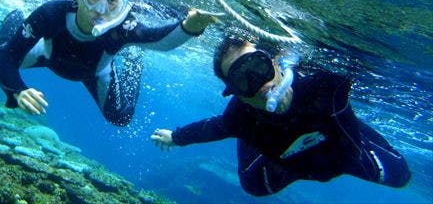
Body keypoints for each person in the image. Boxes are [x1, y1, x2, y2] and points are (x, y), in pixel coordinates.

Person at [151, 36, 411, 196]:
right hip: (291, 167)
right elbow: (213, 128)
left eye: (259, 68)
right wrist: (176, 137)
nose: (262, 86)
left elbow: (363, 53)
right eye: (245, 80)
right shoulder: (239, 116)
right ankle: (256, 142)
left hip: (346, 157)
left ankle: (350, 127)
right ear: (235, 94)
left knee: (401, 176)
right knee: (253, 186)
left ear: (276, 62)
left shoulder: (324, 82)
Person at [0, 0, 216, 126]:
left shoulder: (124, 26)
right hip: (46, 56)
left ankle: (133, 62)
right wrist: (17, 90)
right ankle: (16, 16)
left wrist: (190, 27)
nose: (101, 9)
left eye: (112, 2)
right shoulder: (52, 12)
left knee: (120, 118)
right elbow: (8, 59)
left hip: (96, 73)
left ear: (123, 6)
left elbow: (159, 40)